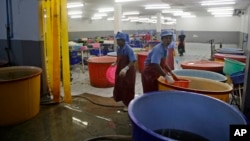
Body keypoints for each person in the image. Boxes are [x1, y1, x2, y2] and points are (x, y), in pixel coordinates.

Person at [112, 32, 137, 111]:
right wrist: (115, 63)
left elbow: (133, 61)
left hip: (128, 71)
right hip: (120, 69)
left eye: (120, 40)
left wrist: (125, 69)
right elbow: (119, 58)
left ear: (124, 40)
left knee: (128, 86)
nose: (118, 42)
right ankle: (121, 99)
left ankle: (128, 104)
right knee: (119, 84)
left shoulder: (129, 49)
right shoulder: (118, 48)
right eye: (117, 40)